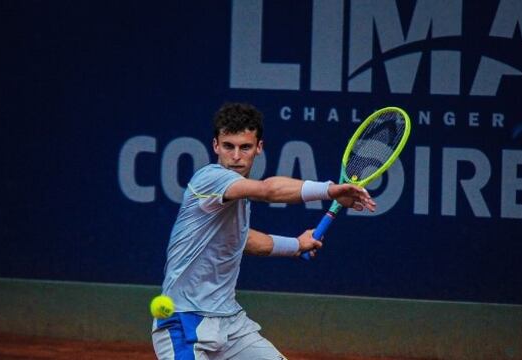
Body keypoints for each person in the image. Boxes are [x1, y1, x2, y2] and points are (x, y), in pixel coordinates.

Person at [151, 102, 376, 360]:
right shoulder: (210, 179)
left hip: (231, 324)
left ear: (259, 148)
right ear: (215, 146)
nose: (236, 156)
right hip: (185, 325)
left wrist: (296, 245)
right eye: (228, 146)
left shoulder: (238, 196)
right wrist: (331, 190)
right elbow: (269, 190)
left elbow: (243, 240)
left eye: (245, 147)